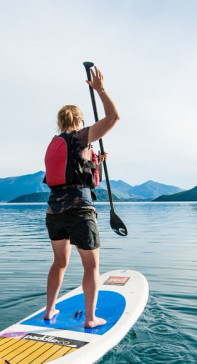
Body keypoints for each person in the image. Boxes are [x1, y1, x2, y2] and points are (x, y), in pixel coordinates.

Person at [44, 66, 120, 328]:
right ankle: (90, 319)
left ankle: (49, 310)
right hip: (80, 212)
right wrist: (100, 89)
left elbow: (77, 172)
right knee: (91, 266)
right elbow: (113, 118)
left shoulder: (55, 142)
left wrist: (96, 163)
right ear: (78, 121)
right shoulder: (78, 138)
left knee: (60, 262)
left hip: (54, 212)